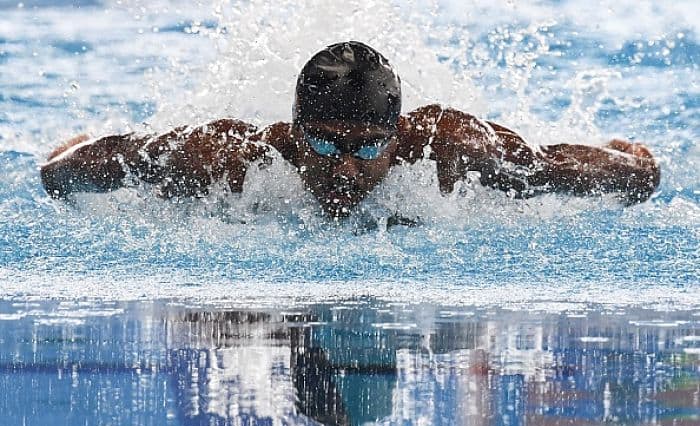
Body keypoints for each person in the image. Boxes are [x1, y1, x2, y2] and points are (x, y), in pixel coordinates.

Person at [41, 41, 660, 219]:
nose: (344, 168)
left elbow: (546, 165)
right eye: (322, 143)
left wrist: (637, 167)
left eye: (368, 148)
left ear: (397, 134)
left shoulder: (449, 148)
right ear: (293, 129)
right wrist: (63, 157)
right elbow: (111, 159)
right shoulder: (229, 159)